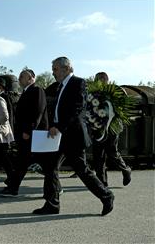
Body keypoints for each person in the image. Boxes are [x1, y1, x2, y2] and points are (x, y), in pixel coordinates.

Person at [32, 57, 114, 216]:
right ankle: (52, 204)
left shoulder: (78, 83)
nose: (53, 72)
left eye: (55, 69)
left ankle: (107, 195)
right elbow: (57, 110)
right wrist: (52, 126)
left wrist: (59, 127)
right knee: (50, 167)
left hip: (73, 135)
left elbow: (76, 108)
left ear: (66, 68)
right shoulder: (59, 87)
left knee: (82, 169)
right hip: (59, 135)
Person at [0, 69, 49, 196]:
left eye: (22, 76)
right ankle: (13, 188)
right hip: (28, 134)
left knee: (42, 164)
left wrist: (28, 130)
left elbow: (37, 112)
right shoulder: (26, 91)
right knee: (23, 162)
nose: (19, 79)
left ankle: (13, 188)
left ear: (31, 78)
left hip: (34, 134)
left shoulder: (37, 90)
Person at [90, 72, 131, 187]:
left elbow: (122, 109)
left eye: (101, 79)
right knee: (98, 156)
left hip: (112, 128)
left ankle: (126, 170)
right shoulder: (93, 93)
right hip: (97, 128)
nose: (99, 81)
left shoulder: (115, 92)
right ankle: (102, 183)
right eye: (97, 79)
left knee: (112, 152)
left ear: (107, 79)